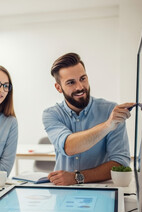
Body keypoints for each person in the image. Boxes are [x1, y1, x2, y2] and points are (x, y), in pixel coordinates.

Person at [43, 52, 135, 186]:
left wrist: (77, 177)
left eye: (83, 78)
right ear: (59, 88)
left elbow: (120, 162)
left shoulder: (110, 111)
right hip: (63, 190)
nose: (80, 87)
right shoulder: (51, 114)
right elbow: (68, 146)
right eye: (70, 82)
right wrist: (107, 125)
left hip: (100, 189)